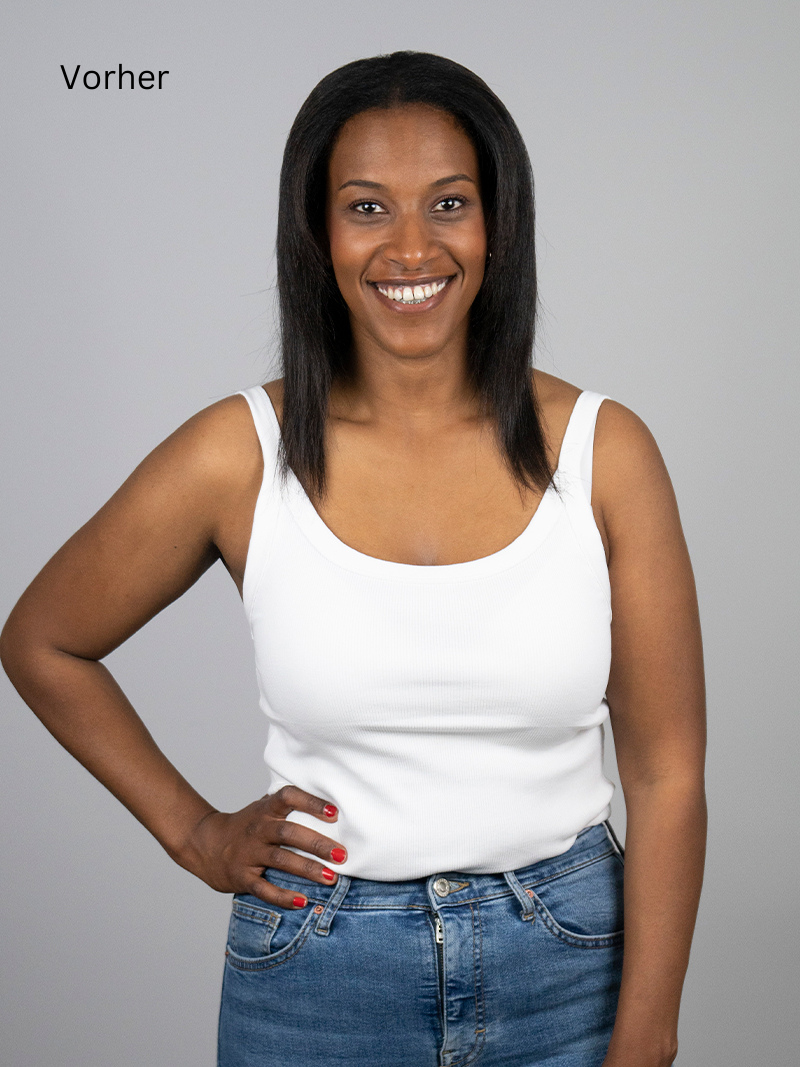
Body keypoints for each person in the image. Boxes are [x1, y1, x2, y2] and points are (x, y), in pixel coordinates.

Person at [0, 51, 706, 1067]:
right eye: (367, 207)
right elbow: (43, 639)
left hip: (568, 971)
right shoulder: (240, 453)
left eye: (449, 202)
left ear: (499, 224)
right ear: (316, 233)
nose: (411, 245)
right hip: (315, 983)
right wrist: (195, 832)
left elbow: (666, 769)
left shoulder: (606, 453)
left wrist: (646, 1031)